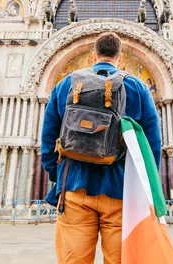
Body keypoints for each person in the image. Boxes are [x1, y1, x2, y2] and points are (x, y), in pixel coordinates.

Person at [41, 32, 161, 264]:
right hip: (121, 191)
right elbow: (152, 143)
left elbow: (47, 138)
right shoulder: (136, 86)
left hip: (74, 188)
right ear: (120, 58)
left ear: (93, 55)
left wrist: (58, 175)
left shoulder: (66, 83)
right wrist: (148, 188)